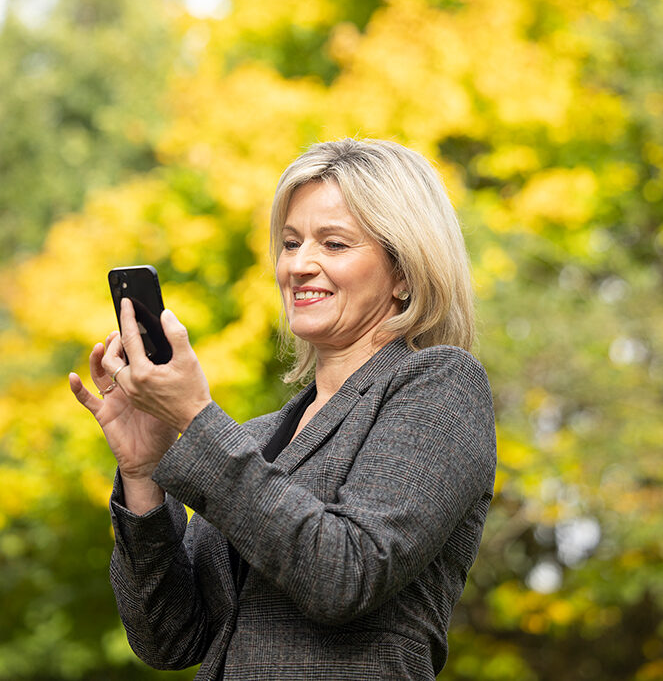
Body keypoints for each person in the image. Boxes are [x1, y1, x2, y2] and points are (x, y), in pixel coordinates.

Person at [69, 137, 496, 681]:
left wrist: (196, 419)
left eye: (334, 244)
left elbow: (345, 574)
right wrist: (144, 471)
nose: (299, 265)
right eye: (291, 243)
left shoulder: (440, 387)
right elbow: (171, 639)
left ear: (405, 271)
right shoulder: (260, 438)